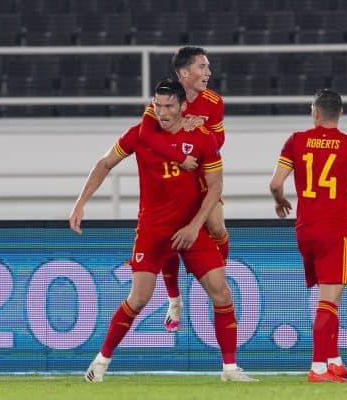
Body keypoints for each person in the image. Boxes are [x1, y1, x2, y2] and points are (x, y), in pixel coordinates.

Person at [70, 78, 256, 383]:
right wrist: (80, 203)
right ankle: (100, 364)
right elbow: (105, 164)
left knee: (222, 293)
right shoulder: (139, 135)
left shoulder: (202, 137)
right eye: (158, 105)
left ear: (183, 106)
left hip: (190, 230)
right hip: (153, 232)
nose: (163, 111)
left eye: (169, 105)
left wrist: (195, 226)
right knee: (139, 298)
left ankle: (230, 370)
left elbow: (216, 187)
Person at [269, 89, 347, 383]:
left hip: (305, 229)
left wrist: (280, 202)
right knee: (330, 299)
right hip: (334, 229)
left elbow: (275, 184)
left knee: (329, 298)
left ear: (315, 112)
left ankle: (335, 361)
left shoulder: (296, 141)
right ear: (340, 113)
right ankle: (318, 367)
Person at [136, 46, 231, 332]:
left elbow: (219, 140)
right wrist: (177, 142)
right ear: (185, 73)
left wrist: (199, 131)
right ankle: (174, 299)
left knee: (216, 228)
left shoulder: (214, 101)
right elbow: (146, 138)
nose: (208, 73)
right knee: (168, 239)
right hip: (171, 179)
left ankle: (216, 274)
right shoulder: (165, 102)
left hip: (202, 175)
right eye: (203, 67)